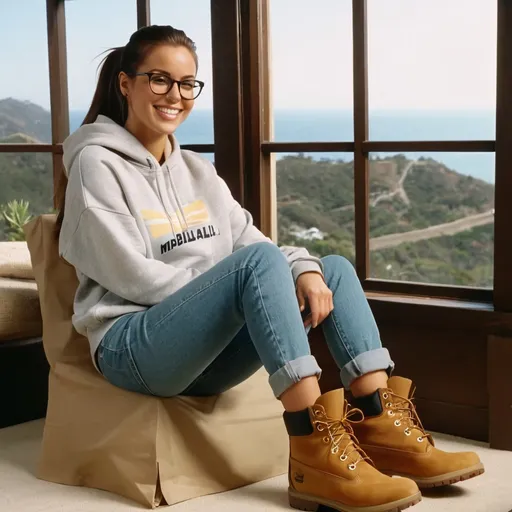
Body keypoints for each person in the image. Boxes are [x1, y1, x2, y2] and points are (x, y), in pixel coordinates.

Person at [58, 25, 484, 512]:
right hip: (132, 344)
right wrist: (229, 289)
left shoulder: (197, 171)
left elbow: (250, 240)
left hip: (200, 352)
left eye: (186, 83)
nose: (174, 95)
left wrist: (302, 271)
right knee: (259, 266)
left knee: (332, 269)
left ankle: (382, 425)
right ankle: (311, 447)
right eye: (159, 79)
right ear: (125, 83)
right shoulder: (96, 165)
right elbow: (132, 277)